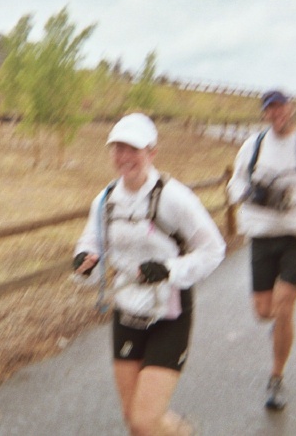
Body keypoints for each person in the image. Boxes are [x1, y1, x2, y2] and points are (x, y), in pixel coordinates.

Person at [72, 113, 225, 436]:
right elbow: (90, 244)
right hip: (128, 310)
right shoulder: (105, 200)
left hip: (170, 313)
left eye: (133, 149)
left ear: (152, 152)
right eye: (118, 148)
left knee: (144, 421)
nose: (124, 157)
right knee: (134, 419)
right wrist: (84, 261)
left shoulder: (174, 197)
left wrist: (169, 269)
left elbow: (214, 249)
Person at [227, 89, 296, 411]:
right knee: (264, 312)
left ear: (292, 108)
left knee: (285, 306)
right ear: (265, 113)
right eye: (270, 109)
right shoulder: (253, 146)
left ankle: (276, 378)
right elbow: (234, 184)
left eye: (281, 107)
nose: (276, 114)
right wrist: (249, 192)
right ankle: (280, 329)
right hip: (261, 236)